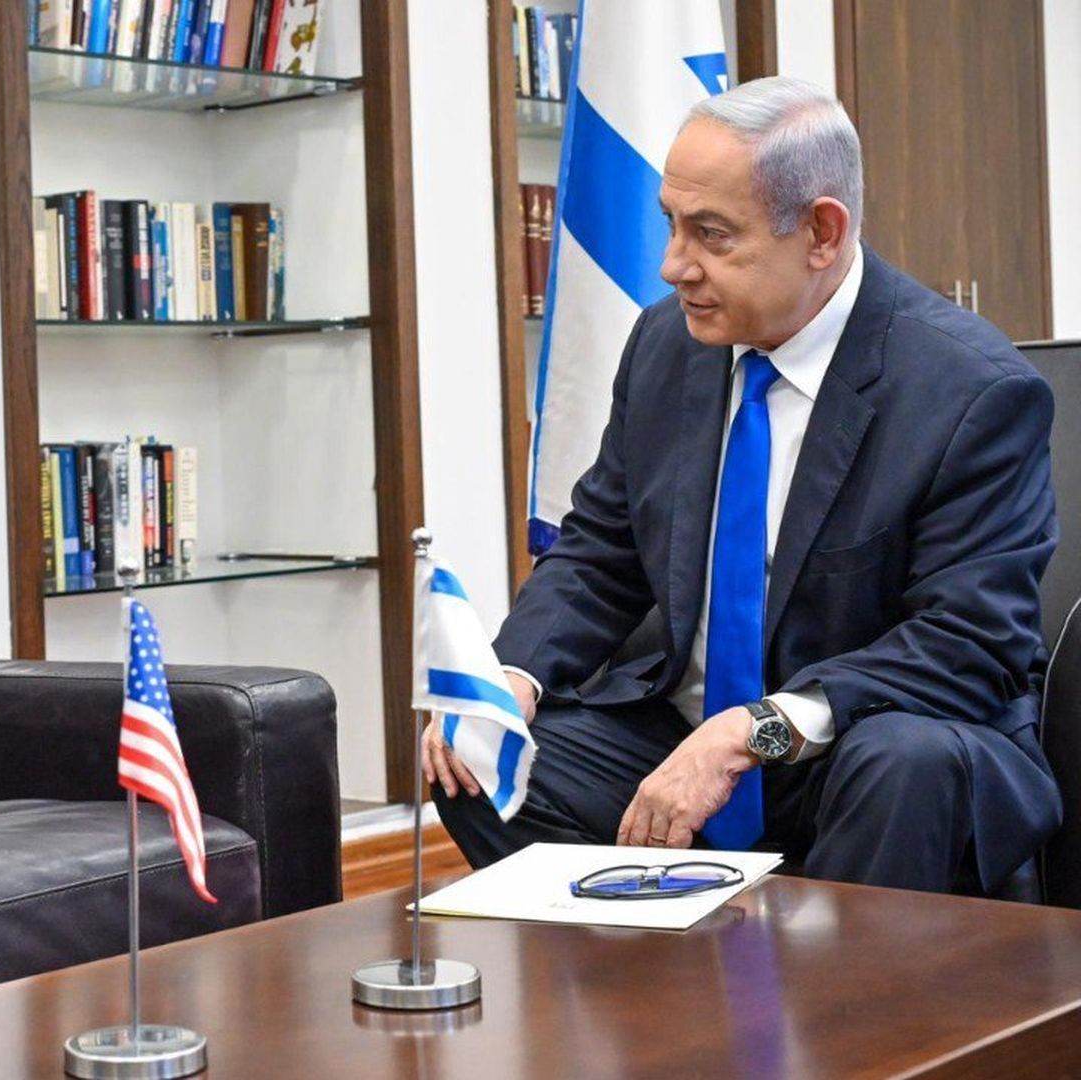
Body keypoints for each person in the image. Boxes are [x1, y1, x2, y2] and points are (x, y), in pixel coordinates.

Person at [428, 77, 1061, 894]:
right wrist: (509, 678)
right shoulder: (666, 345)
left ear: (822, 233)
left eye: (711, 234)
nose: (671, 265)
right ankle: (668, 985)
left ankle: (839, 1012)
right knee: (483, 762)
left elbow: (966, 643)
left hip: (861, 743)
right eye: (670, 224)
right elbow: (599, 554)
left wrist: (751, 733)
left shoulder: (970, 391)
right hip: (679, 732)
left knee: (904, 763)